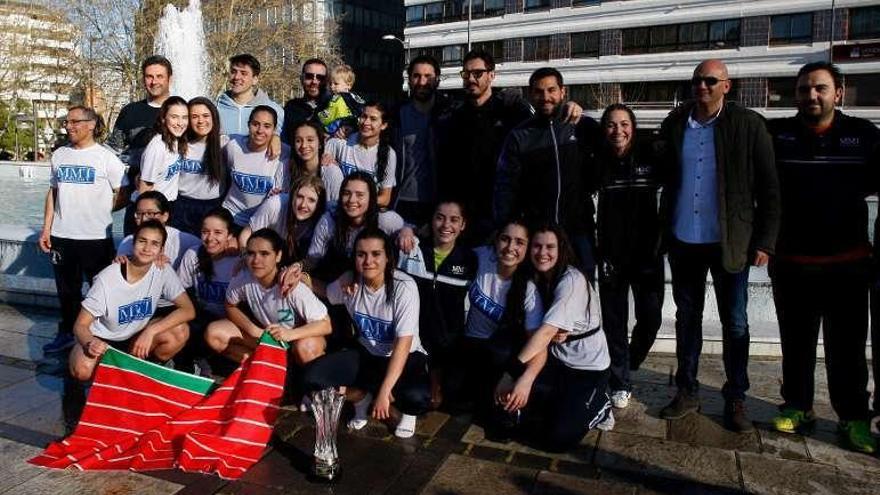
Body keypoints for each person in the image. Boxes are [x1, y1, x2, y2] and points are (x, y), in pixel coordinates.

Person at [657, 59, 780, 432]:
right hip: (684, 239)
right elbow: (661, 171)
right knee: (686, 319)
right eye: (697, 80)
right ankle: (687, 390)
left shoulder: (748, 125)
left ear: (726, 86)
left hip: (731, 242)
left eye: (711, 80)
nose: (702, 86)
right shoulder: (676, 123)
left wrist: (766, 241)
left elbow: (770, 188)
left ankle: (736, 397)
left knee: (736, 322)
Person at [766, 62, 880, 454]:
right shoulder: (777, 134)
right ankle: (798, 406)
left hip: (847, 264)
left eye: (820, 88)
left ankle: (853, 418)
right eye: (803, 89)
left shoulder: (864, 136)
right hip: (792, 263)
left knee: (846, 347)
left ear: (838, 93)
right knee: (795, 342)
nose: (811, 96)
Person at [496, 225, 612, 451]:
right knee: (507, 419)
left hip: (587, 369)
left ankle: (601, 404)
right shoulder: (536, 277)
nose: (542, 253)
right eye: (537, 246)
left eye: (550, 247)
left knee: (558, 440)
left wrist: (512, 373)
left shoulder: (571, 280)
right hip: (555, 362)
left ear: (562, 250)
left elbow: (546, 332)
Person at [307, 228, 430, 438]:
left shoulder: (404, 287)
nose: (368, 261)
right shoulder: (350, 283)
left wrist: (384, 391)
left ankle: (406, 412)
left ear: (388, 257)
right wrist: (299, 276)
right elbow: (325, 291)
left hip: (406, 357)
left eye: (376, 254)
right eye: (361, 254)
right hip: (368, 355)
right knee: (315, 377)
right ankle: (361, 399)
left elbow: (403, 344)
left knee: (416, 398)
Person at [494, 67, 599, 277]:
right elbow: (505, 186)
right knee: (538, 296)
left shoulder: (582, 126)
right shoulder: (520, 136)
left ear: (563, 92)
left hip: (578, 230)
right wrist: (507, 227)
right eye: (539, 92)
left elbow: (612, 149)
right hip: (537, 233)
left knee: (582, 292)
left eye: (551, 90)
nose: (546, 97)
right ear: (530, 94)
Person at [39, 106, 126, 354]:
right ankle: (67, 332)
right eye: (67, 122)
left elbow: (124, 192)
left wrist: (102, 209)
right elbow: (53, 192)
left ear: (91, 124)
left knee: (101, 289)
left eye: (75, 122)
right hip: (62, 236)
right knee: (67, 291)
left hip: (96, 238)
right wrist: (47, 229)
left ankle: (105, 335)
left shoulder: (106, 157)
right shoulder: (60, 155)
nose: (70, 126)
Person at [594, 103, 664, 409]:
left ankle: (631, 360)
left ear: (633, 127)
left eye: (623, 124)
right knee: (614, 321)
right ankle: (619, 379)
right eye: (610, 125)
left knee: (651, 317)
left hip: (648, 255)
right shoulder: (598, 161)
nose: (617, 130)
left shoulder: (651, 154)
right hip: (611, 255)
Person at [68, 220, 195, 381]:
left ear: (161, 250)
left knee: (180, 331)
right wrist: (89, 343)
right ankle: (99, 370)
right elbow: (80, 325)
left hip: (135, 337)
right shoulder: (107, 279)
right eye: (142, 241)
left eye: (154, 244)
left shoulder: (162, 269)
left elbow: (188, 310)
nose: (147, 249)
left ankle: (145, 370)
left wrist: (151, 331)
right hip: (104, 339)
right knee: (82, 370)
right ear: (133, 243)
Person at [458, 220, 543, 436]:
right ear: (496, 240)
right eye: (505, 239)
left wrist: (525, 380)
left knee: (500, 428)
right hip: (471, 345)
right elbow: (445, 245)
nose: (510, 247)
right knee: (452, 395)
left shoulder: (529, 289)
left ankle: (505, 403)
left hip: (503, 356)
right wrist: (408, 231)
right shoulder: (481, 256)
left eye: (519, 242)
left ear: (527, 248)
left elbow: (538, 343)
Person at [205, 228, 330, 366]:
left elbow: (326, 324)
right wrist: (252, 329)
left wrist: (290, 334)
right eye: (251, 253)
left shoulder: (292, 285)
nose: (256, 260)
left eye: (264, 254)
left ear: (278, 256)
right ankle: (267, 368)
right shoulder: (243, 277)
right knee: (214, 333)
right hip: (269, 338)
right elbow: (230, 305)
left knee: (306, 348)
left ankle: (309, 381)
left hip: (297, 340)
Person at [397, 200, 477, 409]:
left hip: (448, 344)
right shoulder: (411, 248)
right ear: (431, 221)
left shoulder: (471, 259)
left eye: (454, 219)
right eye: (440, 217)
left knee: (454, 397)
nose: (445, 225)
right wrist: (407, 229)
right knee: (417, 399)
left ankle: (438, 379)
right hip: (412, 340)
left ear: (463, 225)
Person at [108, 55, 173, 235]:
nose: (154, 82)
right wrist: (129, 180)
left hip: (173, 201)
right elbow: (113, 152)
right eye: (149, 76)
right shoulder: (130, 112)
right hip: (138, 200)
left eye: (160, 76)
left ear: (169, 78)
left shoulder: (180, 110)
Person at [305, 171, 402, 284]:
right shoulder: (330, 220)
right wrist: (299, 269)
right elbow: (313, 259)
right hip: (340, 284)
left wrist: (406, 232)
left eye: (360, 195)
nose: (352, 200)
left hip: (376, 282)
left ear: (371, 198)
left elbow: (410, 228)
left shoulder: (384, 219)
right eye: (346, 193)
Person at [176, 208, 240, 374]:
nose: (210, 238)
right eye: (205, 232)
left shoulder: (239, 260)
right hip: (201, 319)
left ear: (230, 235)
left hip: (230, 323)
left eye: (218, 232)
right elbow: (183, 294)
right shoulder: (193, 255)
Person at [393, 55, 451, 226]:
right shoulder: (396, 115)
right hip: (402, 201)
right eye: (416, 76)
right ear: (409, 79)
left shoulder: (450, 114)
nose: (422, 81)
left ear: (437, 80)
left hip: (438, 202)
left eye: (428, 76)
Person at [222, 106, 291, 229]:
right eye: (255, 124)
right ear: (248, 125)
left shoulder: (284, 152)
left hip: (262, 221)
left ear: (274, 129)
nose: (260, 130)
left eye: (267, 126)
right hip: (231, 216)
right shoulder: (233, 145)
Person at [170, 97, 228, 235]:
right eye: (194, 116)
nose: (201, 121)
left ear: (214, 117)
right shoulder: (178, 143)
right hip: (181, 206)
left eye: (205, 116)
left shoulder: (225, 144)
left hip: (213, 207)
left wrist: (275, 138)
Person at [323, 102, 397, 208]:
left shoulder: (389, 154)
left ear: (384, 125)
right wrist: (324, 159)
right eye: (364, 116)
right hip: (337, 204)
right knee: (329, 169)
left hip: (365, 210)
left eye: (373, 119)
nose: (366, 122)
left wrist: (357, 201)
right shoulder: (342, 140)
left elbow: (385, 198)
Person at [242, 175, 327, 262]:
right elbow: (247, 233)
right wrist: (245, 256)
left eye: (311, 200)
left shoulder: (323, 219)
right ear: (292, 196)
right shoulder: (275, 205)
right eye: (299, 197)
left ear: (319, 204)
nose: (303, 205)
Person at [117, 191, 201, 271]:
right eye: (139, 214)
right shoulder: (128, 242)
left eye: (150, 214)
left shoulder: (187, 242)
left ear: (165, 216)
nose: (144, 219)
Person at [137, 96, 189, 207]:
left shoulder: (177, 141)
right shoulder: (157, 146)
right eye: (174, 117)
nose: (180, 123)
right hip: (153, 209)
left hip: (168, 205)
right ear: (163, 119)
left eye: (184, 117)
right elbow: (145, 187)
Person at [216, 54, 284, 137]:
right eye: (233, 72)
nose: (237, 77)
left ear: (255, 79)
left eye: (243, 73)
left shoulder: (275, 111)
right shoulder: (215, 108)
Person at [288, 121, 344, 206]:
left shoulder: (331, 172)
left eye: (310, 140)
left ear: (320, 143)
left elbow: (338, 209)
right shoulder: (287, 168)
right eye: (298, 140)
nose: (304, 145)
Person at [281, 59, 328, 142]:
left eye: (320, 77)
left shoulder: (335, 106)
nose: (314, 81)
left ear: (326, 81)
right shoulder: (291, 108)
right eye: (309, 76)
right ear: (301, 79)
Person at [316, 64, 364, 136]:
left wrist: (317, 118)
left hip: (339, 129)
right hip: (350, 130)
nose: (332, 86)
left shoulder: (338, 98)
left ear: (348, 85)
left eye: (336, 84)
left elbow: (328, 115)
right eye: (330, 83)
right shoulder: (354, 96)